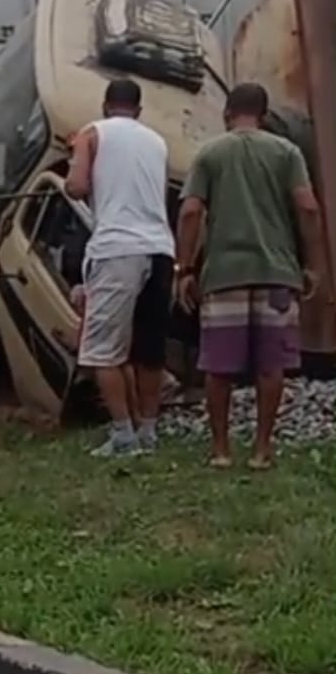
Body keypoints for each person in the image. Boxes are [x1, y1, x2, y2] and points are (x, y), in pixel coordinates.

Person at [177, 83, 325, 470]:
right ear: (263, 115)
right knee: (270, 365)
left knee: (219, 366)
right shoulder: (287, 152)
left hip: (223, 275)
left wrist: (184, 268)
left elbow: (191, 212)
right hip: (277, 273)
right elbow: (308, 208)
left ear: (228, 114)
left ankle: (222, 450)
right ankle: (262, 450)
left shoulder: (210, 153)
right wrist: (312, 264)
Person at [66, 77, 175, 456]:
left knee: (102, 351)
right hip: (161, 249)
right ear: (139, 110)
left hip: (117, 249)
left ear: (105, 105)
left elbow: (76, 187)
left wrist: (77, 155)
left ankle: (123, 436)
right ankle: (148, 432)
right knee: (149, 349)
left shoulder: (92, 133)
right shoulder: (157, 142)